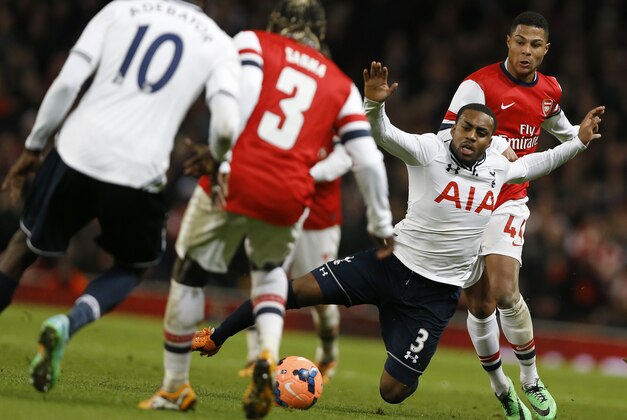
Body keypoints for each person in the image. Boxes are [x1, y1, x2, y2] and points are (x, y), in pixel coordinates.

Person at [191, 62, 604, 414]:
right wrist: (374, 103)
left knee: (393, 393)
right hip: (388, 266)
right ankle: (217, 335)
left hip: (435, 296)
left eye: (480, 132)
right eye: (465, 127)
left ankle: (408, 337)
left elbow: (544, 160)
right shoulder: (428, 150)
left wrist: (580, 142)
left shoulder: (499, 165)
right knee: (292, 289)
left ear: (490, 139)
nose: (470, 136)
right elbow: (384, 133)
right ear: (454, 125)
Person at [139, 1, 394, 418]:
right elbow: (367, 158)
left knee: (190, 271)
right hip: (291, 193)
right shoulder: (341, 85)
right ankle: (266, 356)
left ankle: (174, 387)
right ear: (321, 32)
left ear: (279, 23)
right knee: (272, 273)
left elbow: (237, 103)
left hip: (238, 173)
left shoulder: (254, 43)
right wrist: (380, 222)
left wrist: (220, 154)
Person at [0, 0, 241, 393]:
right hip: (138, 170)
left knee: (21, 248)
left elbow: (65, 83)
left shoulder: (120, 10)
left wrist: (33, 146)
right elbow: (228, 124)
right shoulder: (217, 41)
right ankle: (70, 321)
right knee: (133, 265)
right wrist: (216, 158)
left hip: (76, 150)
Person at [438, 11, 581, 419]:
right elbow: (443, 133)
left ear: (545, 50)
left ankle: (530, 379)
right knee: (480, 306)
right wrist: (497, 145)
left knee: (504, 290)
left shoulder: (551, 90)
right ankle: (500, 387)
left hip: (510, 200)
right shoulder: (477, 84)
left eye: (535, 45)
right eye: (521, 42)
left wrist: (580, 137)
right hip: (469, 200)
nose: (526, 51)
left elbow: (562, 130)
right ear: (508, 41)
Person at [241, 139, 351, 384]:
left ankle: (328, 354)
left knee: (321, 297)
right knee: (263, 279)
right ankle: (256, 356)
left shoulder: (337, 106)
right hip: (278, 208)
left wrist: (305, 174)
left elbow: (346, 156)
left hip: (318, 219)